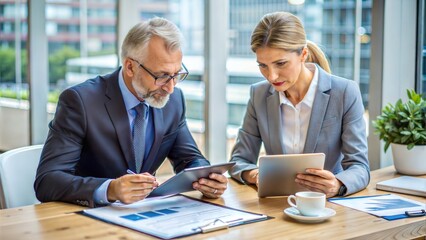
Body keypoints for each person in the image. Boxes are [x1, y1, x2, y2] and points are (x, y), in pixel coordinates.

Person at [35, 17, 228, 207]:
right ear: (130, 67)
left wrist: (207, 180)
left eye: (176, 75)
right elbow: (48, 181)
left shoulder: (173, 101)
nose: (170, 88)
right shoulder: (80, 101)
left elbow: (190, 159)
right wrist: (110, 189)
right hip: (88, 218)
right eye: (161, 76)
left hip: (143, 216)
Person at [229, 12, 370, 198]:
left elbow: (359, 167)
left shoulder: (344, 92)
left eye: (280, 63)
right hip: (277, 205)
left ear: (303, 54)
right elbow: (239, 160)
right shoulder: (259, 95)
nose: (271, 76)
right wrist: (255, 175)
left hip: (327, 206)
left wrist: (337, 184)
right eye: (262, 66)